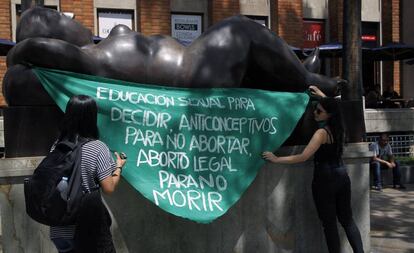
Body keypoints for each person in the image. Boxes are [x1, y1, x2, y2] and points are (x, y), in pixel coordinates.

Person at [262, 86, 364, 253]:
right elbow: (336, 109)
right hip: (341, 175)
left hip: (325, 179)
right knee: (347, 220)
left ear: (327, 115)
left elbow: (302, 156)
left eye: (319, 111)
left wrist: (276, 158)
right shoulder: (339, 128)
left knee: (329, 224)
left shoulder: (321, 134)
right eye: (315, 109)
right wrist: (323, 97)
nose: (315, 113)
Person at [49, 95, 126, 253]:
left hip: (60, 226)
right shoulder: (97, 147)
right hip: (88, 226)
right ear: (92, 117)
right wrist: (118, 167)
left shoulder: (57, 146)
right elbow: (109, 188)